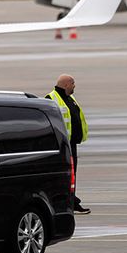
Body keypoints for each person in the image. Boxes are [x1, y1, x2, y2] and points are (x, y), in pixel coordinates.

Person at [46, 74, 90, 214]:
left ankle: (71, 201)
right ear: (66, 85)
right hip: (61, 145)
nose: (74, 86)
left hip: (72, 144)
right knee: (65, 174)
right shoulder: (51, 99)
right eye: (72, 83)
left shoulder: (70, 98)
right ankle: (66, 203)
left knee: (72, 174)